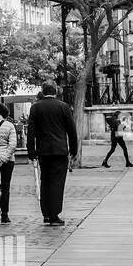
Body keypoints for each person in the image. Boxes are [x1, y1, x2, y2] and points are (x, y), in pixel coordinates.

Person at [25, 82, 78, 226]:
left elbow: (31, 132)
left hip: (43, 151)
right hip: (60, 150)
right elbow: (71, 130)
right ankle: (54, 214)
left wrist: (31, 152)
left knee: (46, 181)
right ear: (56, 91)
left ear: (42, 91)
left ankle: (47, 213)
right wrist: (74, 150)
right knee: (57, 183)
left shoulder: (36, 107)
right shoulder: (63, 107)